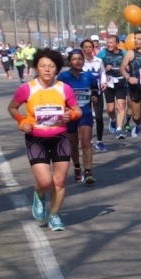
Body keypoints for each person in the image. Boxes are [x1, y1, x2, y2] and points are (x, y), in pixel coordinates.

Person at [7, 48, 82, 231]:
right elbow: (12, 107)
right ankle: (39, 194)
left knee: (60, 181)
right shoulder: (27, 89)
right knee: (45, 182)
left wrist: (71, 115)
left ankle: (54, 216)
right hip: (36, 139)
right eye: (42, 66)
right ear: (36, 68)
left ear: (57, 69)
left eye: (51, 66)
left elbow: (77, 110)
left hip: (60, 138)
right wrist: (22, 121)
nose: (47, 69)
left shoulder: (64, 88)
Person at [57, 49, 100, 185]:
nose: (77, 61)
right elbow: (56, 93)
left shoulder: (88, 76)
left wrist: (94, 96)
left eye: (80, 59)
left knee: (86, 142)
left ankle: (88, 172)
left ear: (83, 61)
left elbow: (95, 88)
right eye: (74, 59)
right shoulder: (63, 77)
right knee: (73, 143)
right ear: (69, 61)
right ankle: (77, 167)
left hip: (85, 112)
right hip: (70, 114)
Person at [98, 35, 128, 139]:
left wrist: (128, 67)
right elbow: (97, 67)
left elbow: (130, 64)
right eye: (108, 42)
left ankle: (119, 130)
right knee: (110, 109)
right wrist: (105, 68)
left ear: (117, 44)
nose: (109, 44)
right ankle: (113, 119)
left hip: (121, 82)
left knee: (121, 106)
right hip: (108, 83)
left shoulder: (123, 53)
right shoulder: (103, 53)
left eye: (111, 43)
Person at [82, 39, 108, 153]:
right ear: (82, 49)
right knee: (86, 117)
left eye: (90, 47)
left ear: (93, 48)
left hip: (97, 90)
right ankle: (89, 141)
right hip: (84, 92)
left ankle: (99, 141)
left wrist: (104, 82)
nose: (88, 49)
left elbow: (102, 73)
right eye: (86, 47)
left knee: (99, 117)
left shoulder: (98, 60)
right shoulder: (80, 61)